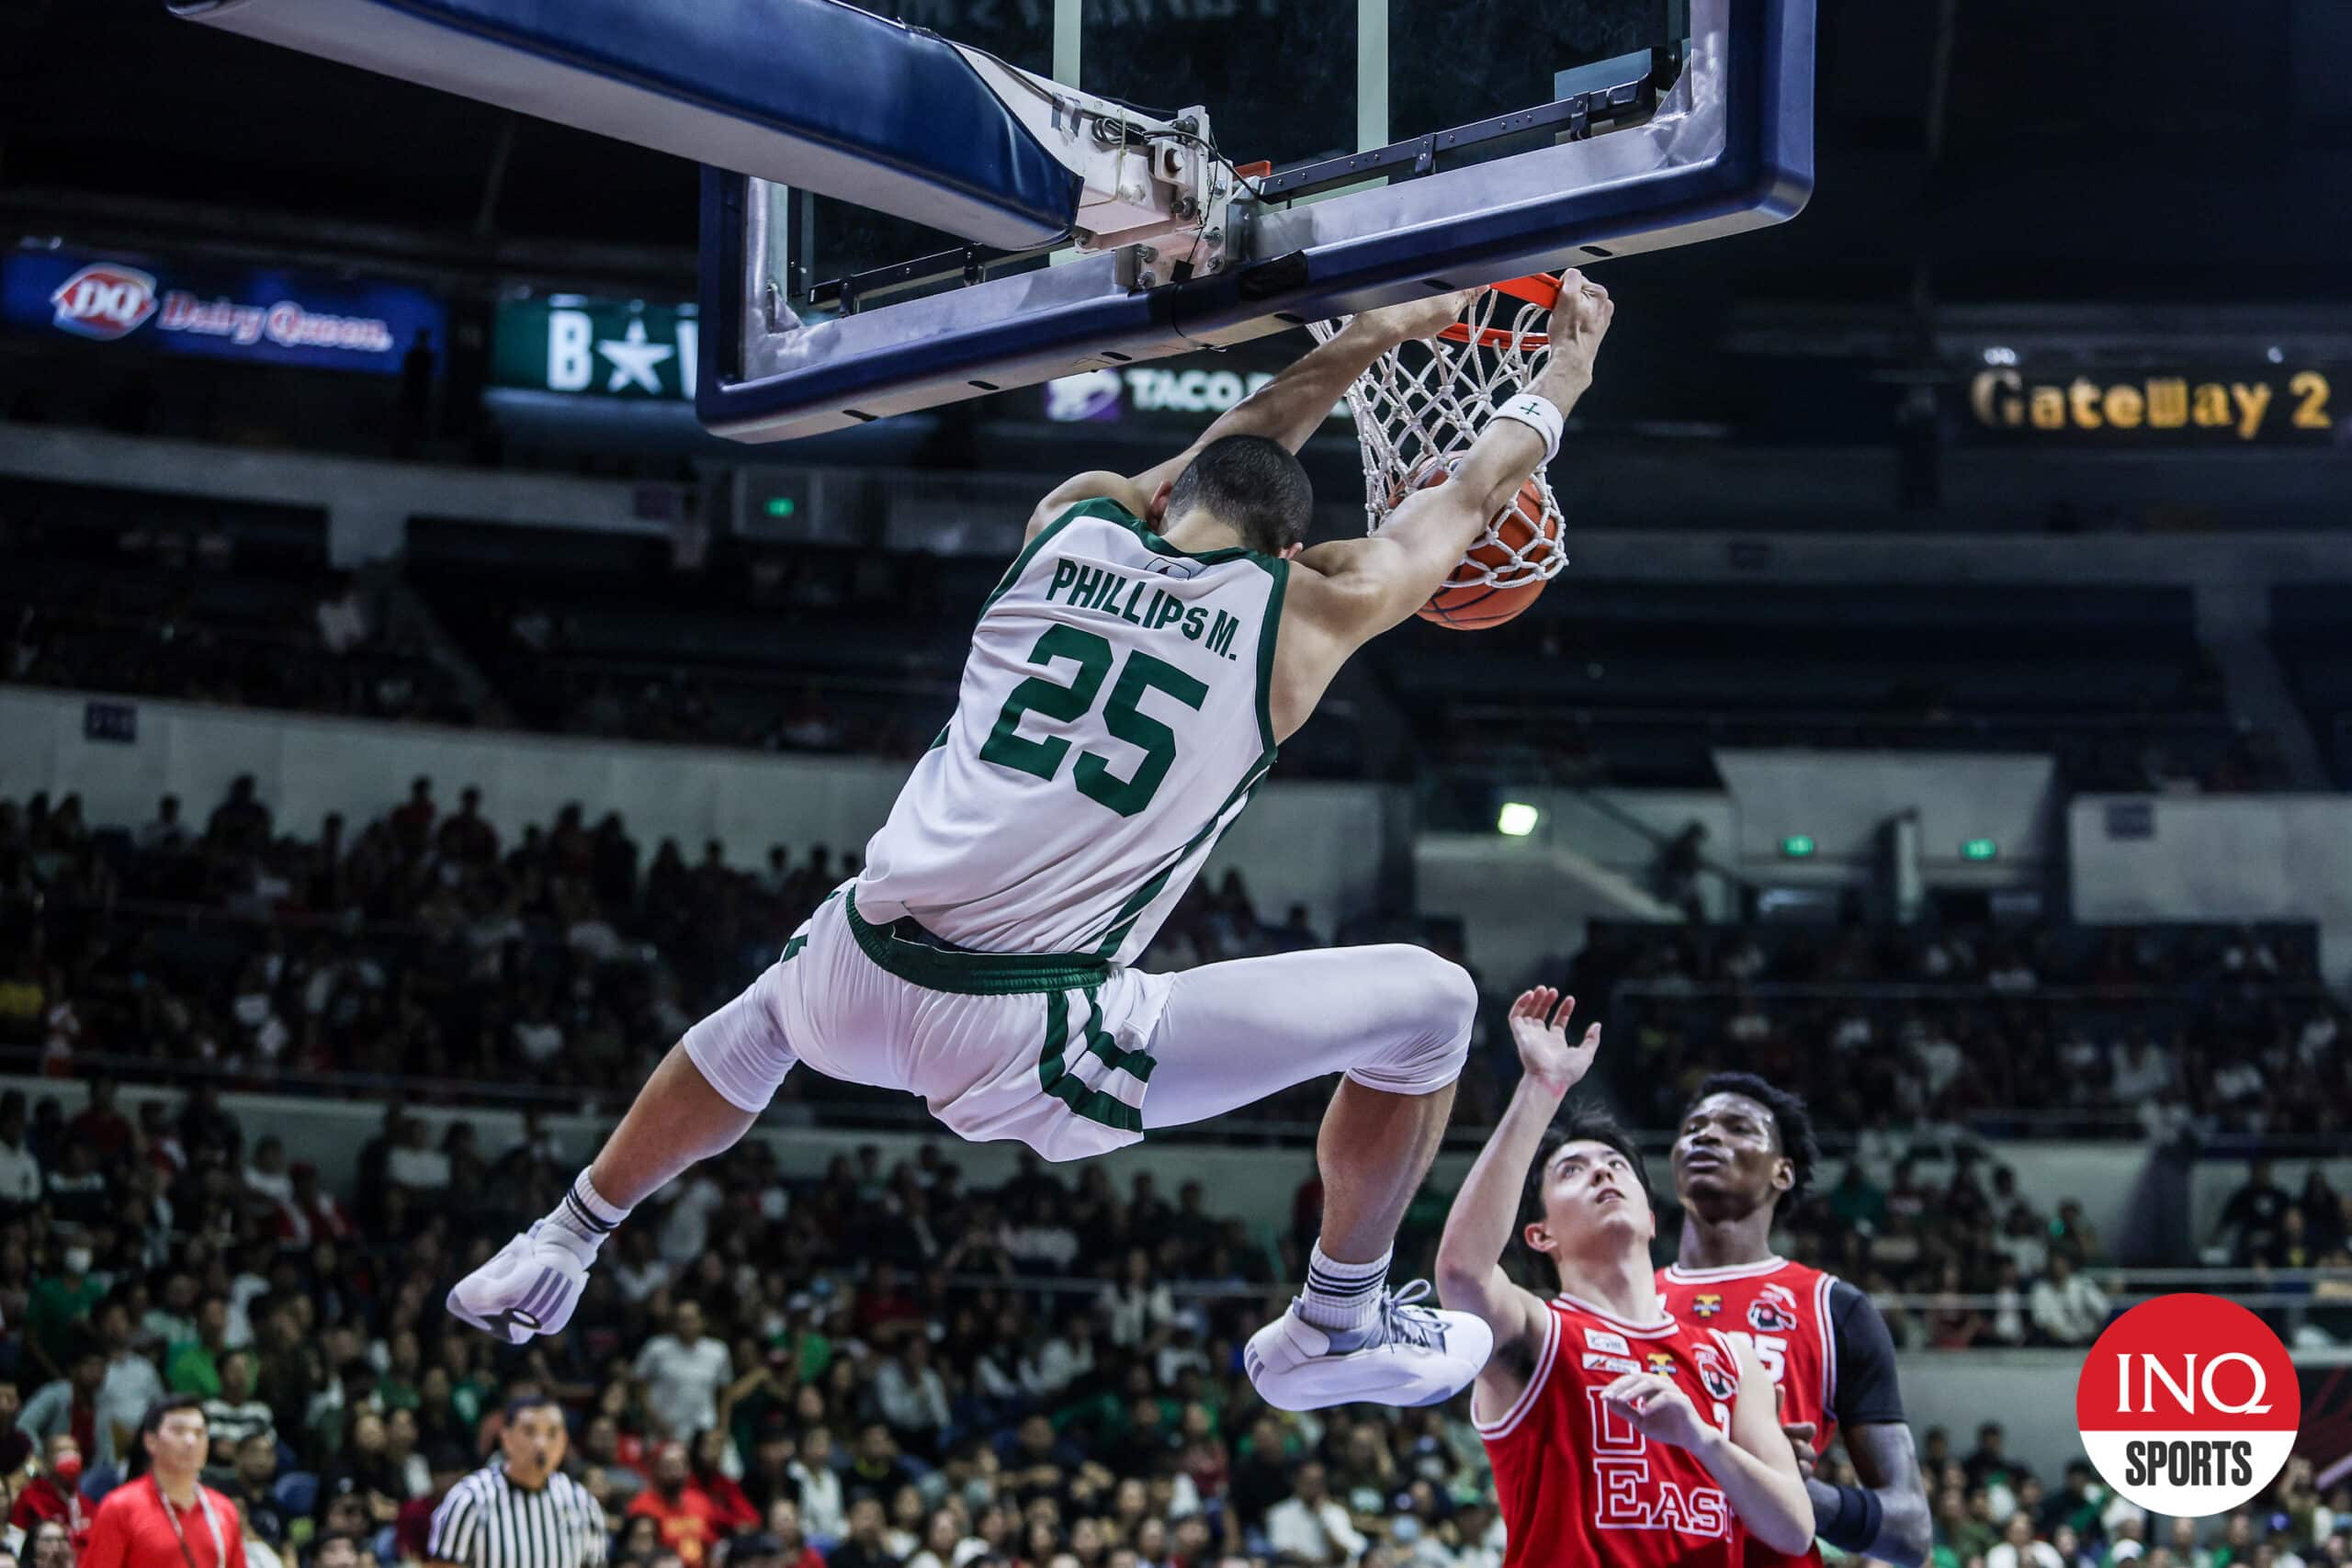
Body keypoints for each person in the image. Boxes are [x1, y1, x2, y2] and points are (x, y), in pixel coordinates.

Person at [451, 276, 1620, 1416]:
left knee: (758, 1024)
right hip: (1027, 1028)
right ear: (1283, 556)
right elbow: (1471, 494)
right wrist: (1562, 373)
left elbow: (1232, 445)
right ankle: (1335, 1318)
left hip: (858, 964)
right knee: (1428, 1008)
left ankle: (566, 1235)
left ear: (1163, 505)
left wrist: (1362, 341)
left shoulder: (1071, 525)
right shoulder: (1301, 616)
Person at [1433, 988, 1815, 1568]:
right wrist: (1541, 1088)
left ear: (1651, 1215)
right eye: (1573, 1170)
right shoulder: (1540, 1331)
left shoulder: (1733, 1358)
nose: (1602, 1173)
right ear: (1540, 1234)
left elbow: (1792, 1530)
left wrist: (1701, 1438)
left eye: (1616, 1166)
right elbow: (1461, 1272)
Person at [1654, 1072, 1931, 1568]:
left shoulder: (1835, 1309)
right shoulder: (1623, 1305)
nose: (1707, 1135)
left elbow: (1910, 1533)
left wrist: (1793, 1487)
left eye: (1738, 1127)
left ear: (1783, 1172)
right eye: (1693, 1127)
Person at [425, 1395, 607, 1568]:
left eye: (552, 1433)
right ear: (506, 1439)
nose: (541, 1444)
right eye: (529, 1432)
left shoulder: (583, 1504)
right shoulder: (470, 1499)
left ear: (564, 1442)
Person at [81, 1397, 246, 1568]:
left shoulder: (224, 1510)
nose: (191, 1441)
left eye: (199, 1433)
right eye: (178, 1431)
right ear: (151, 1441)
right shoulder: (120, 1507)